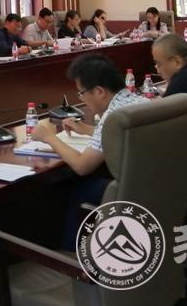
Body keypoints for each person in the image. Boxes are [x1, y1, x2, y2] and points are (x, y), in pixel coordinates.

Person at [32, 54, 149, 249]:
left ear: (99, 91)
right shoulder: (138, 101)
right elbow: (119, 134)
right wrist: (86, 130)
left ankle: (71, 254)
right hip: (155, 188)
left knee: (79, 187)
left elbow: (82, 166)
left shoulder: (112, 115)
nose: (81, 98)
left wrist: (48, 137)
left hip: (133, 195)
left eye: (81, 93)